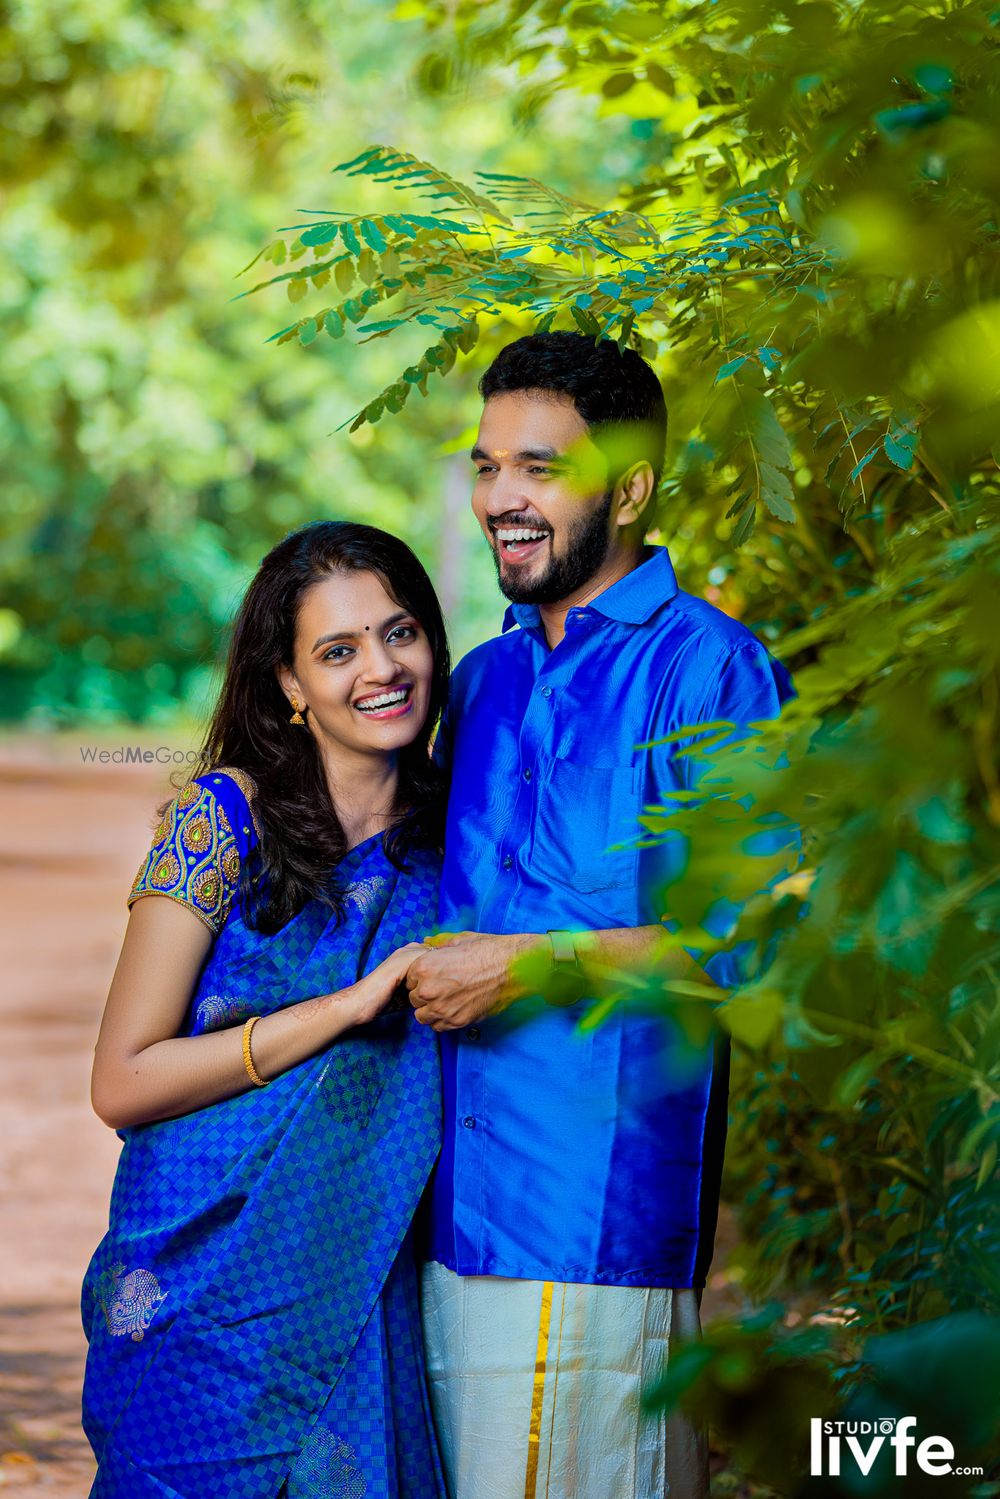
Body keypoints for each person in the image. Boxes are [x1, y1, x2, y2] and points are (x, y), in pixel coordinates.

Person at [405, 332, 795, 1499]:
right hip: (443, 1222)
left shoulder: (710, 670)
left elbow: (750, 943)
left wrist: (526, 966)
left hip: (590, 1224)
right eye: (485, 468)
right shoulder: (479, 678)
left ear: (628, 486)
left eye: (539, 467)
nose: (501, 499)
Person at [82, 521, 451, 1499]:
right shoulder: (222, 819)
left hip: (358, 1264)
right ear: (288, 683)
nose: (381, 667)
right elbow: (122, 1080)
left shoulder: (458, 840)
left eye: (399, 631)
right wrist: (342, 1008)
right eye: (338, 650)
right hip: (195, 1268)